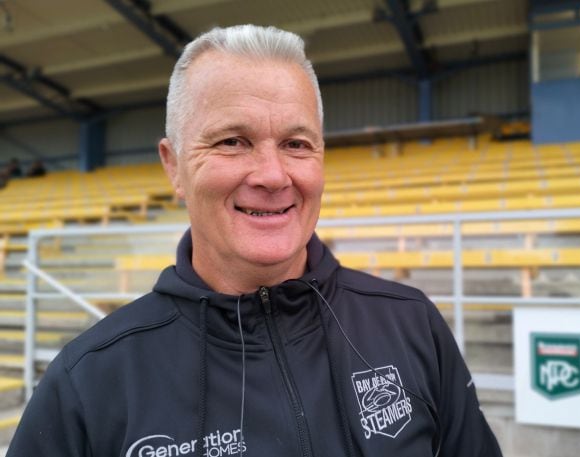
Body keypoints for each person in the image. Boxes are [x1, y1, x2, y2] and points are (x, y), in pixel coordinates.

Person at [7, 25, 502, 457]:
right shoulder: (88, 379)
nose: (272, 175)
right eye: (232, 141)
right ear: (173, 165)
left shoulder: (410, 322)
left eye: (296, 144)